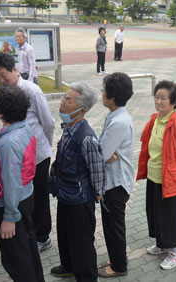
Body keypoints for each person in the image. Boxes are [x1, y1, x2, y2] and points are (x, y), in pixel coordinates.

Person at [0, 52, 55, 253]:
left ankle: (43, 236)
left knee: (40, 197)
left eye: (3, 75)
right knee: (26, 196)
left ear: (14, 69)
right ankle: (31, 231)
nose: (0, 80)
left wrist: (44, 147)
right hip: (20, 157)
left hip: (38, 156)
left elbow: (49, 123)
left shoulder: (31, 91)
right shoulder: (5, 93)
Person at [136, 80, 176, 270]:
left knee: (171, 218)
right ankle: (162, 244)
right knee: (156, 213)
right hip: (155, 178)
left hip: (172, 182)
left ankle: (175, 252)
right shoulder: (155, 119)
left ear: (174, 102)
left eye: (163, 98)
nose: (159, 101)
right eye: (157, 97)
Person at [0, 86, 45, 282]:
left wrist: (9, 217)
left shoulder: (8, 143)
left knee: (16, 258)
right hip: (25, 195)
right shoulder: (25, 128)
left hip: (10, 203)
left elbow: (11, 182)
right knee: (27, 249)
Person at [49, 82, 105, 281]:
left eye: (68, 100)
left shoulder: (87, 138)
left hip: (80, 198)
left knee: (81, 241)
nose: (62, 103)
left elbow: (97, 168)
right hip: (65, 192)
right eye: (64, 97)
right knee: (64, 234)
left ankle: (87, 276)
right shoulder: (68, 127)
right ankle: (69, 266)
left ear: (81, 111)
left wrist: (98, 192)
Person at [97, 73, 134, 278]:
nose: (101, 94)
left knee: (113, 227)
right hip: (116, 181)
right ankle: (117, 258)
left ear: (111, 97)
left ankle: (119, 266)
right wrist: (106, 152)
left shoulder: (118, 121)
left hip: (115, 184)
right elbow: (104, 150)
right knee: (113, 225)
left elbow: (100, 153)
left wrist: (105, 152)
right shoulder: (116, 115)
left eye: (103, 91)